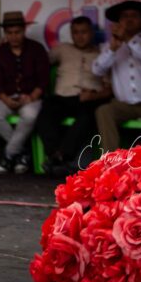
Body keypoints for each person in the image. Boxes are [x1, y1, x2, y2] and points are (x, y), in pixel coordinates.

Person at [35, 16, 111, 175]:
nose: (80, 36)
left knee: (89, 116)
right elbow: (39, 62)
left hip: (88, 98)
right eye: (75, 32)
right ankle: (56, 155)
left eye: (84, 32)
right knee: (45, 113)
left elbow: (110, 89)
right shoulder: (62, 49)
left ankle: (60, 157)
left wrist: (94, 96)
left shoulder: (101, 56)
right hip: (62, 97)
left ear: (91, 33)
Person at [93, 1, 141, 153]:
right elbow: (97, 70)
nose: (129, 20)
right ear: (119, 21)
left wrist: (129, 40)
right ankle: (112, 162)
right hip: (123, 104)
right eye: (124, 16)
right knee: (104, 111)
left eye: (134, 16)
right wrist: (112, 49)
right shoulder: (111, 44)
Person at [0, 11, 49, 174]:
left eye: (17, 32)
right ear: (5, 33)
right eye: (9, 33)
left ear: (24, 31)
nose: (13, 36)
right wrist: (7, 100)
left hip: (30, 98)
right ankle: (22, 153)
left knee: (30, 115)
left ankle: (7, 156)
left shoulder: (37, 49)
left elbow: (43, 81)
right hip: (5, 98)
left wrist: (32, 96)